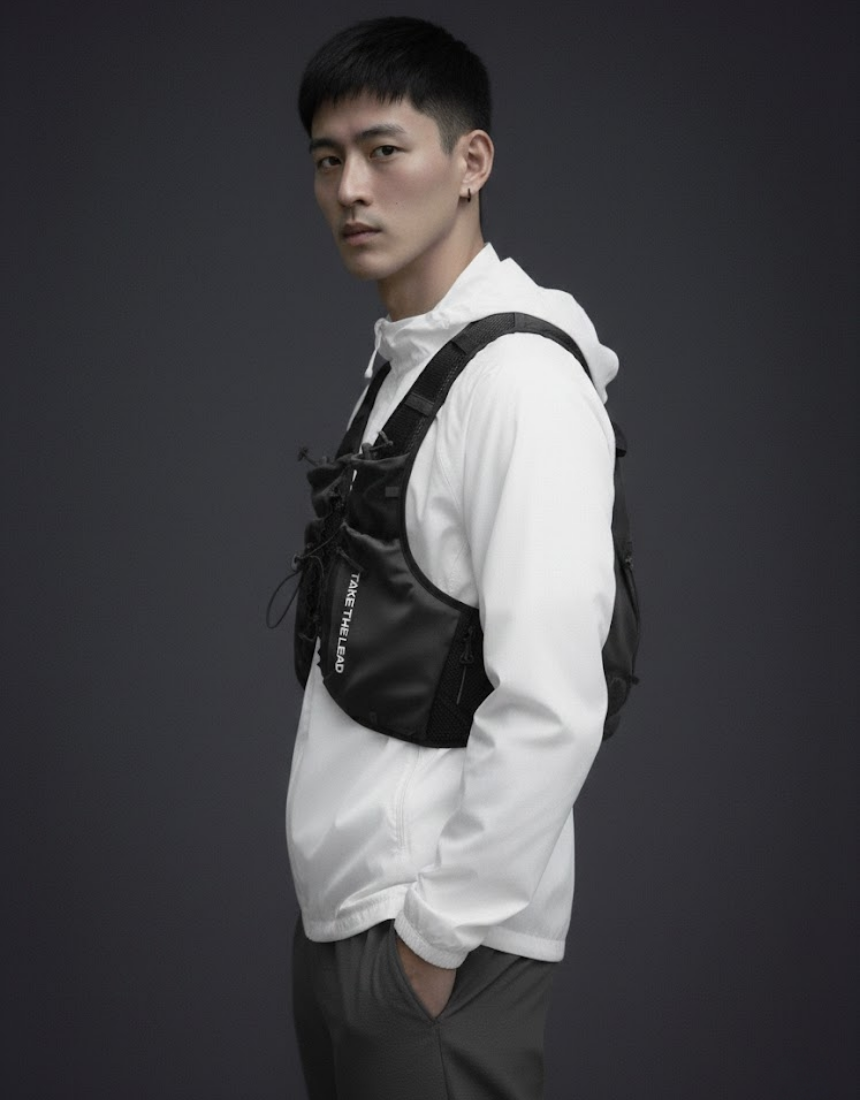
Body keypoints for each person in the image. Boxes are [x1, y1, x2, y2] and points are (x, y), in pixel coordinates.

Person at [285, 17, 619, 1100]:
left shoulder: (518, 382)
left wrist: (432, 941)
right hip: (348, 920)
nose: (350, 188)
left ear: (470, 161)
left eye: (384, 150)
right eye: (327, 159)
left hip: (434, 945)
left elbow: (555, 698)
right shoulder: (406, 360)